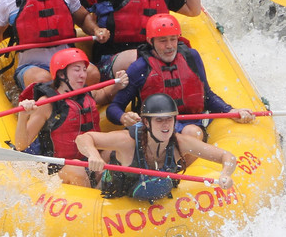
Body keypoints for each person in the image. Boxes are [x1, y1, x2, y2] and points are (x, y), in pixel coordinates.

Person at [106, 13, 254, 141]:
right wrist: (123, 117)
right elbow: (114, 108)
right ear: (151, 42)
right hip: (155, 128)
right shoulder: (140, 68)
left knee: (192, 132)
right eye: (163, 41)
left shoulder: (192, 57)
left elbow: (207, 96)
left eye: (173, 39)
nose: (169, 46)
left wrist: (229, 111)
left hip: (190, 123)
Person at [75, 93, 237, 201]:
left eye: (169, 119)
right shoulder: (127, 141)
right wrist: (93, 155)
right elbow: (83, 138)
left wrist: (225, 174)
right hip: (116, 200)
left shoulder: (181, 142)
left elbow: (227, 157)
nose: (165, 125)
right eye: (159, 120)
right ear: (146, 122)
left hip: (155, 200)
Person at [14, 48, 128, 187]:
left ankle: (106, 196)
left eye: (84, 70)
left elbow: (104, 94)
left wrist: (117, 85)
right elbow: (21, 144)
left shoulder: (87, 93)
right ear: (61, 74)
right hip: (58, 167)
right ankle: (91, 201)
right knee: (77, 169)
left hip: (90, 159)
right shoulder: (46, 104)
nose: (83, 75)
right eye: (77, 70)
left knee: (118, 149)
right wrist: (22, 116)